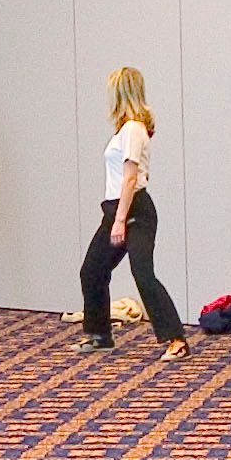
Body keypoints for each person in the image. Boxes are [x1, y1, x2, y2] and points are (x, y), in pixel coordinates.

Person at [72, 66, 191, 362]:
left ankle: (176, 339)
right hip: (115, 209)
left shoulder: (134, 129)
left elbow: (129, 177)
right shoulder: (124, 130)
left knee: (143, 273)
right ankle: (100, 334)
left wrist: (121, 220)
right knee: (93, 270)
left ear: (120, 94)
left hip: (134, 209)